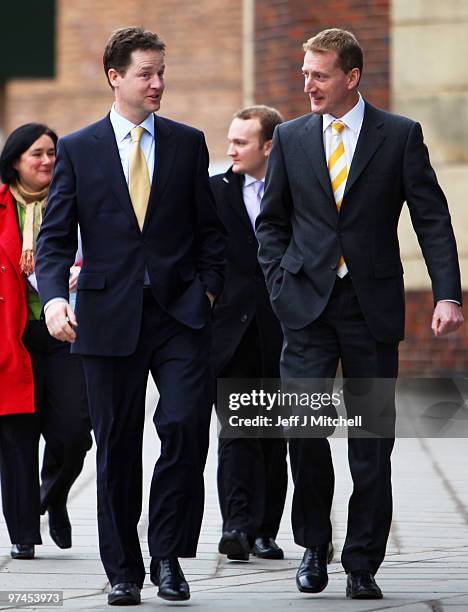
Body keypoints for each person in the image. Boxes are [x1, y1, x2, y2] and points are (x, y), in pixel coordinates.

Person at [256, 28, 463, 600]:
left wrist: (448, 293)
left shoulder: (399, 137)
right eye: (304, 74)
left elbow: (432, 218)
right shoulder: (292, 138)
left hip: (369, 308)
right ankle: (313, 544)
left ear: (351, 76)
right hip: (304, 308)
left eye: (319, 75)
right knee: (304, 430)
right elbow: (271, 222)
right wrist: (279, 281)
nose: (308, 85)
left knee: (372, 443)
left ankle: (362, 561)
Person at [35, 27, 225, 606]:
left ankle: (167, 555)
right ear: (115, 77)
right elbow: (55, 238)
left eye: (161, 72)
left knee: (186, 426)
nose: (157, 83)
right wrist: (54, 299)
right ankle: (123, 569)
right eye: (146, 72)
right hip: (106, 316)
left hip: (180, 315)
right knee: (117, 444)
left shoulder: (188, 143)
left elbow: (209, 233)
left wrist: (208, 291)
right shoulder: (78, 147)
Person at [0, 123, 92, 561]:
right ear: (15, 160)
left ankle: (51, 496)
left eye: (52, 152)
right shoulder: (1, 207)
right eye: (37, 153)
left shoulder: (73, 198)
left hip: (66, 330)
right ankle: (22, 533)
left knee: (74, 431)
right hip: (11, 333)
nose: (48, 161)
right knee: (17, 435)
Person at [211, 106, 288, 562]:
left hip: (283, 329)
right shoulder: (215, 190)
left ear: (268, 146)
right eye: (230, 139)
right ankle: (236, 526)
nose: (230, 149)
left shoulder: (294, 189)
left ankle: (265, 531)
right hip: (230, 330)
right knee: (237, 430)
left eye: (240, 142)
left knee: (275, 432)